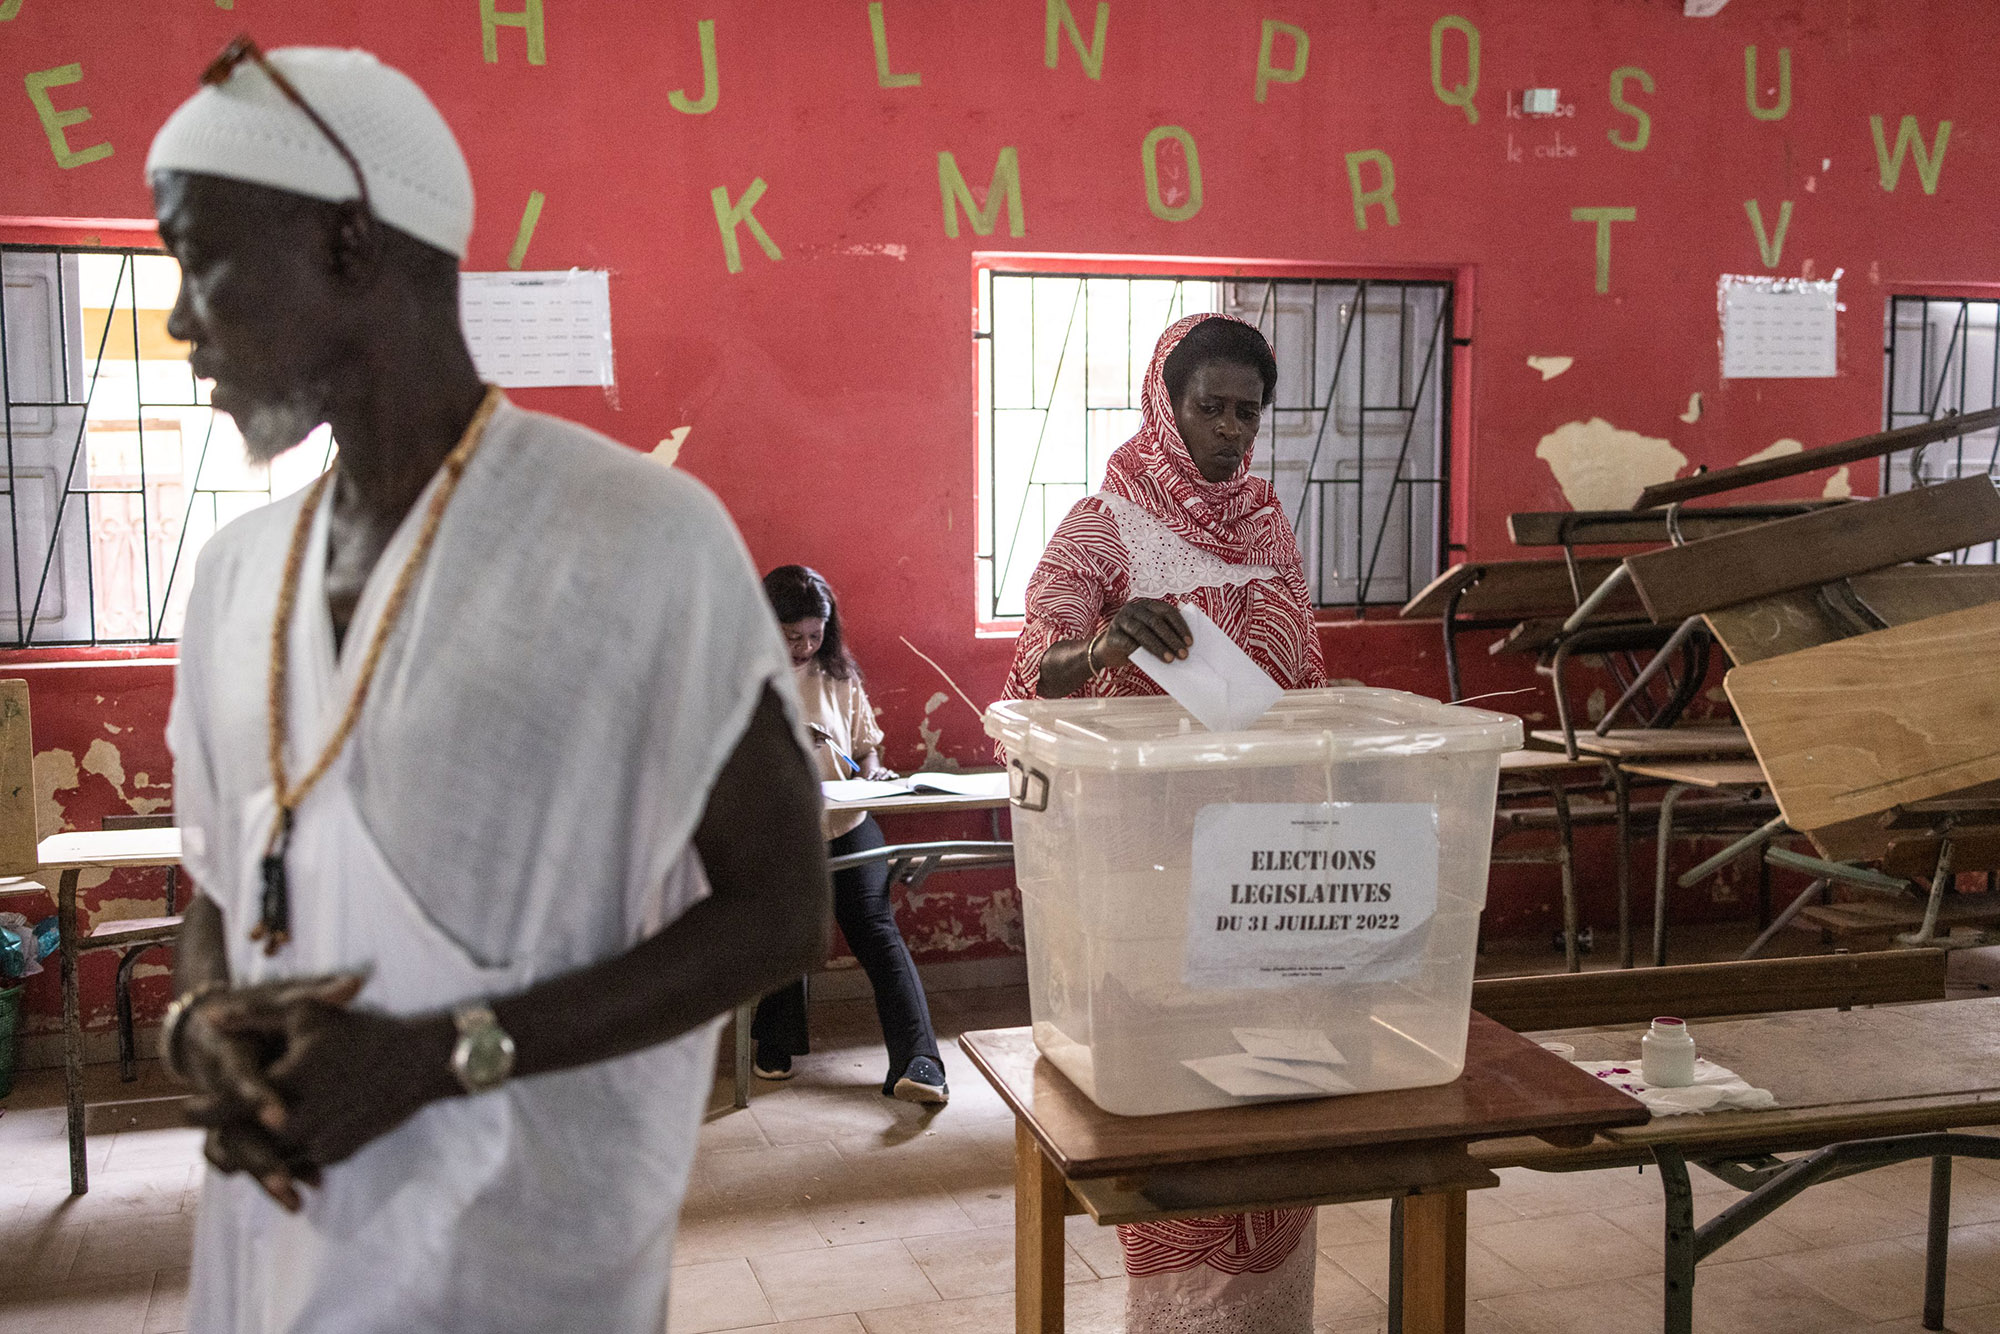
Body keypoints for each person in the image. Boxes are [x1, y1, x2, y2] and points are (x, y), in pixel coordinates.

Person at [148, 40, 829, 1333]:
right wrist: (199, 1021)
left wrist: (442, 1054)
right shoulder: (236, 574)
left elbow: (784, 906)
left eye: (201, 258)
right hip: (282, 1254)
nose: (182, 318)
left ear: (350, 243)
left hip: (517, 1265)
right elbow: (227, 885)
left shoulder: (641, 537)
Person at [1001, 313, 1327, 1334]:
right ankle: (1179, 1316)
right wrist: (1101, 643)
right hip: (1142, 853)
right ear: (1163, 402)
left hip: (1265, 842)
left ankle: (1270, 1314)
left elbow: (1298, 674)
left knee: (1272, 1085)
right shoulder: (1103, 522)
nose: (1229, 431)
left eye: (1246, 412)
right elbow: (1029, 670)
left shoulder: (1268, 520)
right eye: (1208, 407)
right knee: (1178, 1091)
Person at [751, 565, 948, 1103]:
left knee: (876, 928)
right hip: (781, 830)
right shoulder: (742, 673)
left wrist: (873, 770)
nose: (805, 647)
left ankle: (920, 1061)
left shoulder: (837, 674)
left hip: (847, 818)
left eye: (816, 635)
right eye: (793, 636)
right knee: (789, 927)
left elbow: (865, 747)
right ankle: (774, 1039)